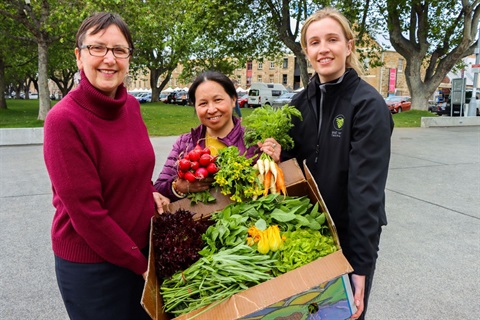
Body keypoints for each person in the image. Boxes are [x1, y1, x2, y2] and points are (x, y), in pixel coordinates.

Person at [43, 12, 169, 320]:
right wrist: (142, 266)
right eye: (97, 48)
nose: (109, 59)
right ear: (79, 56)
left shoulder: (131, 106)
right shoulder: (63, 120)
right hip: (94, 268)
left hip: (139, 252)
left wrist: (148, 190)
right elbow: (87, 214)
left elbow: (134, 167)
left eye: (119, 50)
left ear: (128, 57)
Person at [280, 7, 394, 320]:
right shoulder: (299, 104)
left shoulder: (368, 106)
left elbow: (365, 194)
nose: (324, 48)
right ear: (306, 51)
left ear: (349, 45)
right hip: (305, 235)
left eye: (332, 39)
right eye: (314, 42)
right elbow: (287, 167)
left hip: (347, 238)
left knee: (341, 315)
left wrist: (359, 267)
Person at [154, 71, 280, 201]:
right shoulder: (185, 142)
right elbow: (159, 189)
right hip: (198, 219)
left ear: (233, 100)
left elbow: (275, 192)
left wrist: (276, 163)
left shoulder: (255, 142)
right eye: (203, 103)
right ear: (195, 107)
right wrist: (178, 187)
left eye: (218, 100)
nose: (212, 109)